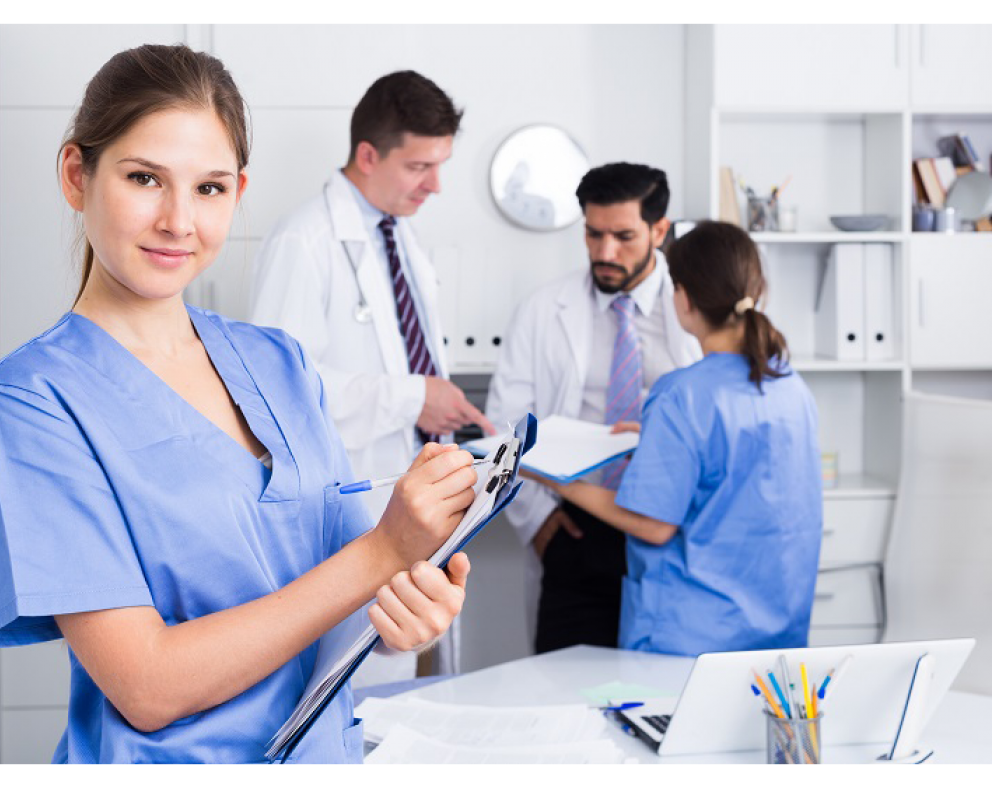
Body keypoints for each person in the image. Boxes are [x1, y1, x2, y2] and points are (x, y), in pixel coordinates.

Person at [0, 45, 478, 765]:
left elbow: (352, 596)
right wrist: (383, 553)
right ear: (77, 176)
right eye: (145, 178)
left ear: (238, 191)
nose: (179, 220)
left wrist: (406, 610)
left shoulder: (280, 362)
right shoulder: (32, 402)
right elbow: (145, 684)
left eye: (209, 189)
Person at [250, 70, 493, 681]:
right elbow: (275, 395)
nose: (435, 185)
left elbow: (400, 353)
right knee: (349, 695)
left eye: (440, 166)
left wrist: (441, 406)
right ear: (367, 154)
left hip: (409, 516)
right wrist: (412, 399)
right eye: (419, 167)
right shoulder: (304, 240)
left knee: (402, 696)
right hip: (344, 528)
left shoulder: (399, 236)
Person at [528, 221, 822, 657]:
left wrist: (553, 477)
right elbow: (742, 463)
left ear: (682, 297)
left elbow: (653, 524)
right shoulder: (790, 386)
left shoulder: (681, 395)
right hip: (776, 634)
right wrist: (663, 438)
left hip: (688, 639)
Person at [486, 163, 701, 654]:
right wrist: (541, 527)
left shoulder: (693, 307)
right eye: (593, 234)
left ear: (659, 230)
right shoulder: (543, 309)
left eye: (623, 236)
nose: (605, 253)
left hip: (668, 530)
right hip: (575, 528)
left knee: (661, 694)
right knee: (564, 698)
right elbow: (507, 424)